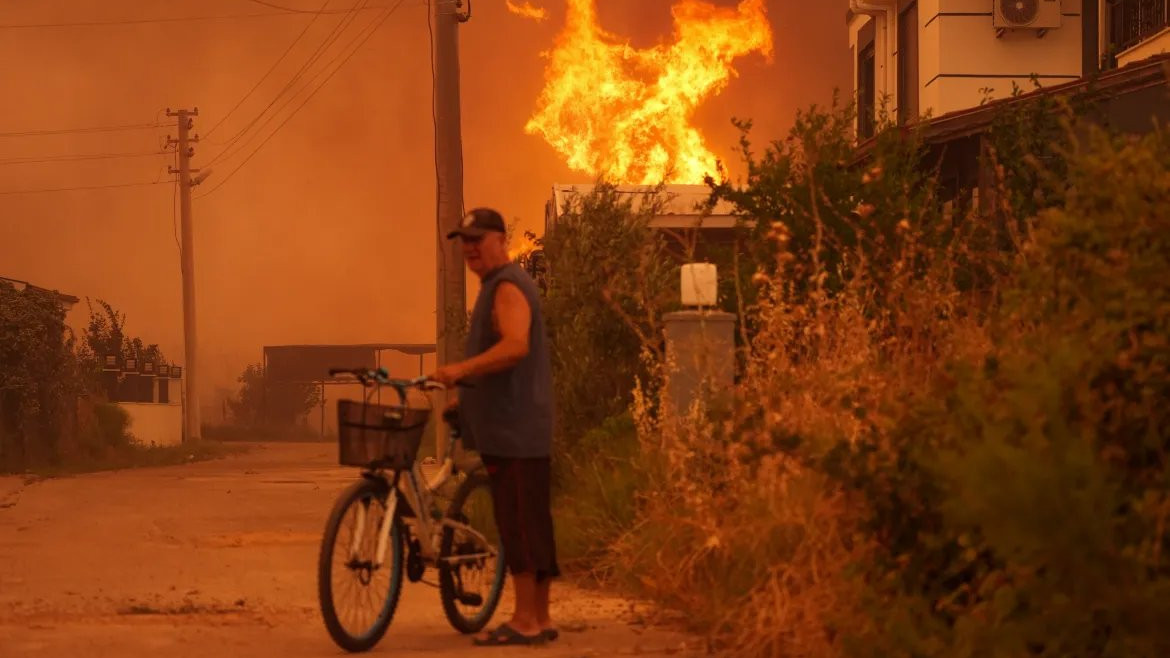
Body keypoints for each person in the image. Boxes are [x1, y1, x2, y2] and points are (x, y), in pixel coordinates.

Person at [430, 207, 558, 647]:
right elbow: (501, 362)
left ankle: (524, 621)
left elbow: (515, 346)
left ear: (500, 240)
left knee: (518, 525)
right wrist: (464, 394)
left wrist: (459, 368)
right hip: (520, 426)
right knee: (533, 523)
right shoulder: (500, 285)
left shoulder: (506, 285)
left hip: (514, 430)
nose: (469, 248)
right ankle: (539, 618)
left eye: (477, 239)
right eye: (464, 240)